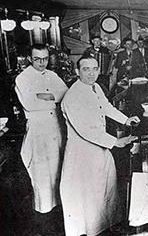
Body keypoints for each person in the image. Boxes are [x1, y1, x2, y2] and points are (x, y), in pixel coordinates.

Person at [60, 55, 140, 236]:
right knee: (90, 197)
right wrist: (115, 142)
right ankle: (92, 231)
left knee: (106, 187)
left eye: (94, 69)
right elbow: (86, 130)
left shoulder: (94, 87)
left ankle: (107, 226)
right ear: (77, 72)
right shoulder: (73, 96)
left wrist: (126, 120)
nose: (91, 73)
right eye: (85, 69)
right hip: (82, 153)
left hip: (100, 149)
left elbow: (106, 106)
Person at [14, 44, 68, 225]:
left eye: (45, 58)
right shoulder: (23, 78)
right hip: (38, 131)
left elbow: (65, 94)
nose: (42, 63)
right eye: (37, 59)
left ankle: (59, 210)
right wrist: (53, 97)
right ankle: (43, 217)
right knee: (42, 174)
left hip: (55, 126)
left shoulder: (52, 75)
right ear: (30, 58)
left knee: (58, 168)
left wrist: (44, 95)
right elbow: (31, 104)